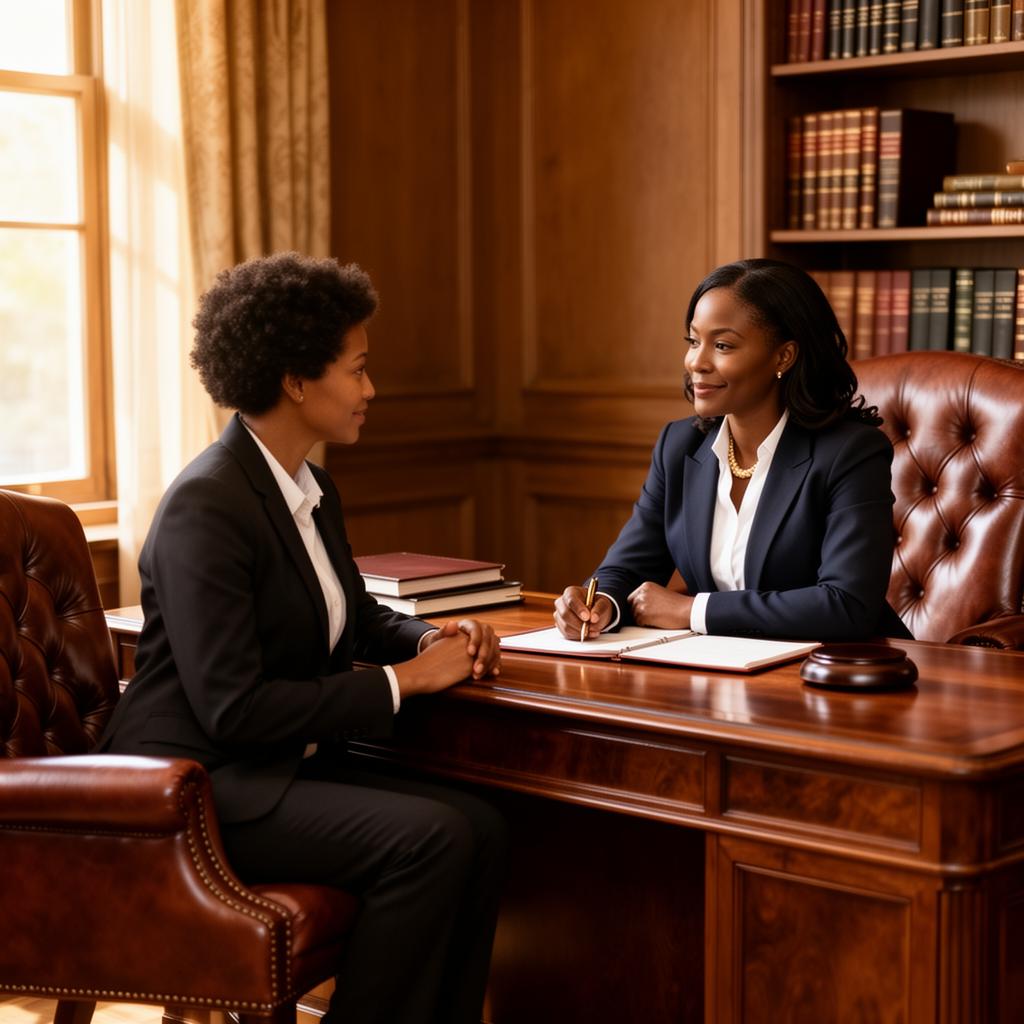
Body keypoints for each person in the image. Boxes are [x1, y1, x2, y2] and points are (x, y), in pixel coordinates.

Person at [98, 252, 506, 1024]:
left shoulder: (309, 490)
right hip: (196, 788)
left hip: (270, 771)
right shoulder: (206, 508)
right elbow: (232, 711)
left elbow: (355, 615)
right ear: (294, 379)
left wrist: (428, 640)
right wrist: (403, 684)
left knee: (481, 828)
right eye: (357, 370)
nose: (370, 391)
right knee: (433, 841)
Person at [554, 257, 912, 644]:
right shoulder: (679, 446)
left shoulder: (850, 453)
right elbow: (626, 568)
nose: (696, 362)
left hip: (843, 675)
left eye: (722, 345)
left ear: (783, 357)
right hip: (726, 671)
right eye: (694, 341)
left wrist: (694, 610)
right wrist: (599, 604)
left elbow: (846, 605)